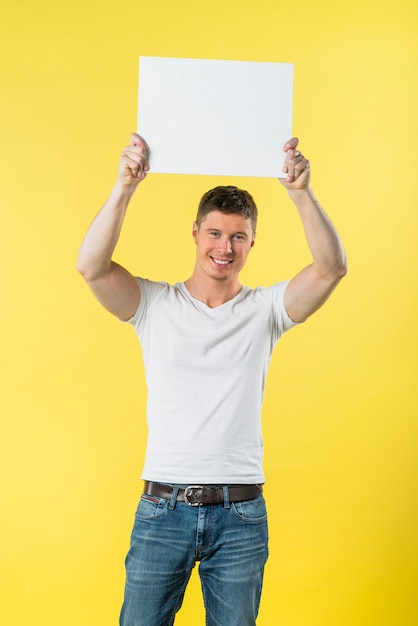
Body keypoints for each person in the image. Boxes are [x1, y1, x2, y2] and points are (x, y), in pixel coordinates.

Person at [77, 133, 347, 626]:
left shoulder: (266, 310)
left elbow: (331, 269)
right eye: (216, 234)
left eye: (238, 236)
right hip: (163, 510)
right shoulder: (154, 306)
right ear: (197, 234)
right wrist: (124, 188)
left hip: (240, 516)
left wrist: (301, 193)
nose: (225, 247)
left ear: (251, 243)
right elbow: (90, 268)